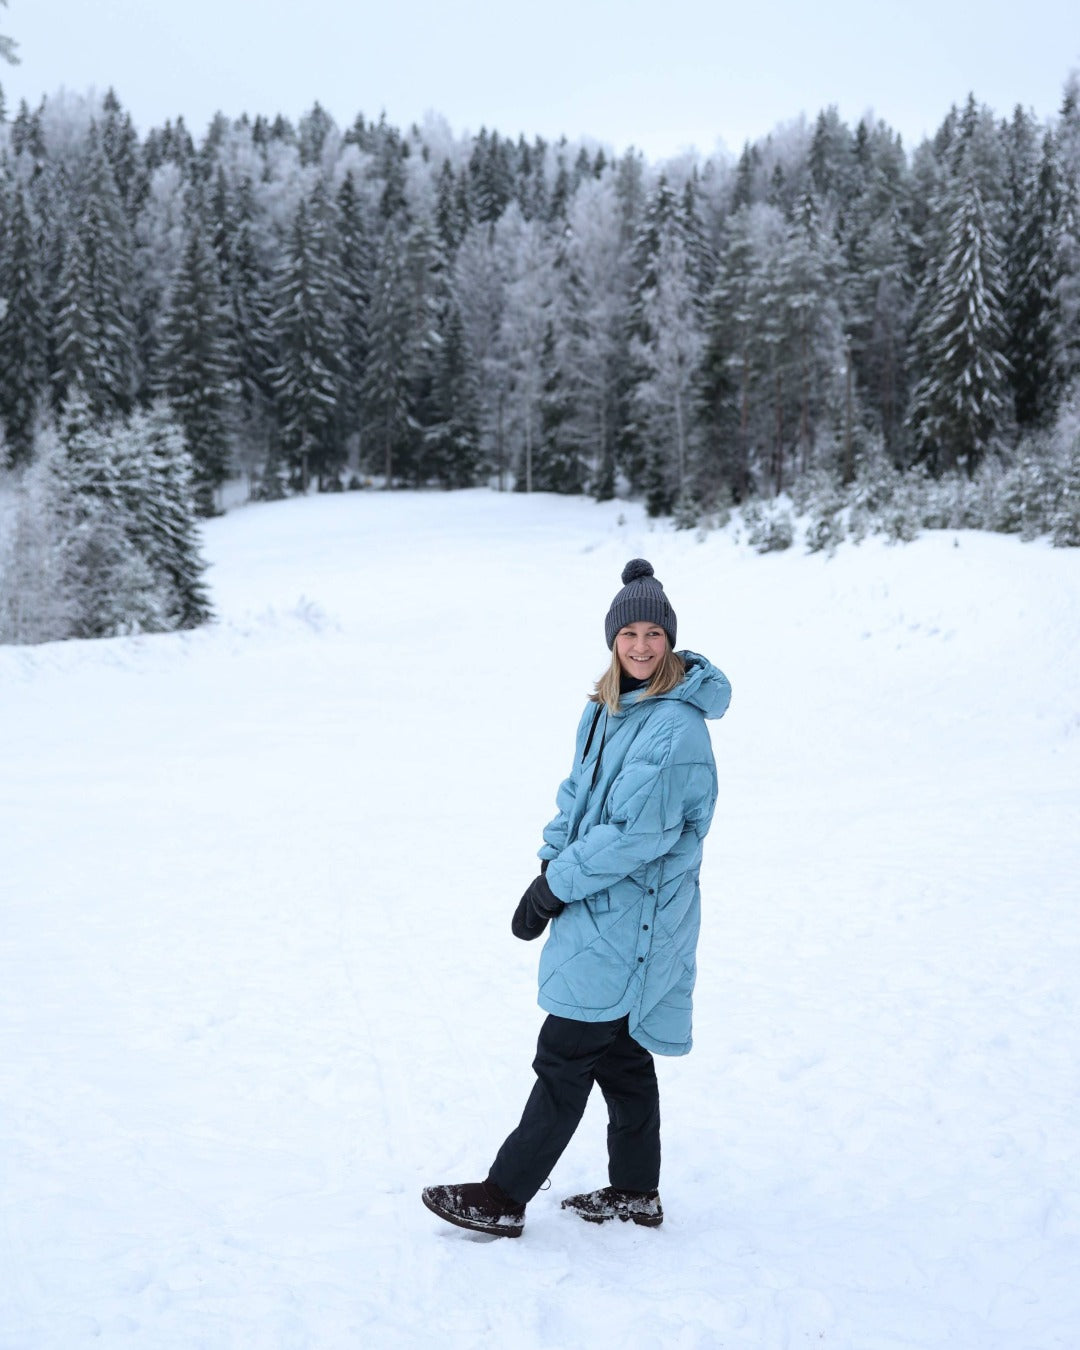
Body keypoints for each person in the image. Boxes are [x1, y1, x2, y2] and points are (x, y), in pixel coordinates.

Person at [422, 559, 731, 1238]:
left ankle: (504, 1195)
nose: (643, 646)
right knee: (620, 1058)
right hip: (602, 907)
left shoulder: (674, 729)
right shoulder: (607, 708)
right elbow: (576, 797)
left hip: (634, 916)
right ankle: (634, 1193)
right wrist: (550, 858)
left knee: (565, 1056)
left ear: (671, 641)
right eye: (630, 634)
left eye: (655, 633)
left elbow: (634, 836)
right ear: (613, 641)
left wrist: (555, 887)